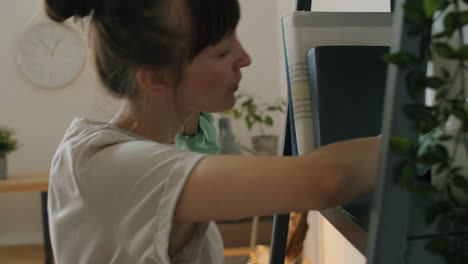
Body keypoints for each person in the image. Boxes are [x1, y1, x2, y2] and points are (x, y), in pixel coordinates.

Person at [45, 0, 380, 263]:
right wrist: (417, 137)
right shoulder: (112, 166)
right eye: (222, 51)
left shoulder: (105, 150)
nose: (245, 58)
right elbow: (324, 181)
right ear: (156, 78)